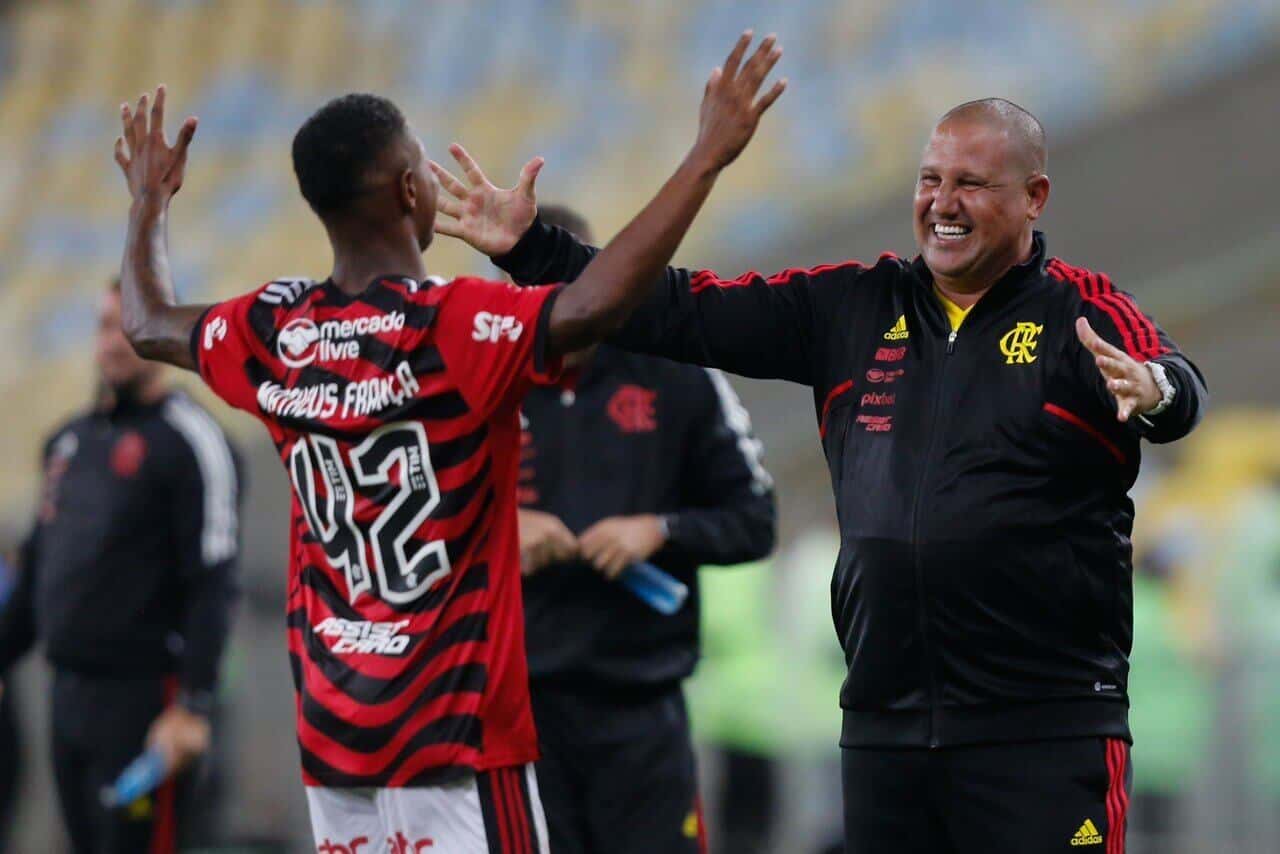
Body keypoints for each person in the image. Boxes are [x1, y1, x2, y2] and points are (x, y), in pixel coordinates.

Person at [434, 97, 1209, 853]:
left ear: (1033, 195)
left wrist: (1155, 393)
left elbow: (1175, 384)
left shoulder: (1082, 310)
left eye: (971, 183)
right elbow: (676, 308)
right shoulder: (851, 305)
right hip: (885, 733)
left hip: (1043, 732)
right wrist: (530, 250)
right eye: (930, 179)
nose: (943, 202)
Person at [110, 31, 784, 851]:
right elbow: (594, 305)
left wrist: (148, 203)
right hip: (455, 736)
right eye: (424, 168)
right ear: (409, 190)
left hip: (336, 738)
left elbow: (148, 321)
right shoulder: (452, 324)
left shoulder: (272, 327)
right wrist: (706, 158)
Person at [513, 205, 776, 854]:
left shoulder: (675, 371)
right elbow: (411, 530)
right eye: (534, 305)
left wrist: (660, 530)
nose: (557, 322)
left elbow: (755, 520)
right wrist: (496, 533)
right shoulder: (479, 377)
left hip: (641, 708)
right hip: (516, 714)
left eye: (571, 297)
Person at [0, 280, 242, 854]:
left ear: (161, 334)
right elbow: (37, 573)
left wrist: (193, 705)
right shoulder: (68, 442)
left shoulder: (192, 441)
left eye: (129, 327)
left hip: (146, 703)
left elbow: (213, 582)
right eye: (105, 326)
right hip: (67, 698)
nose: (113, 342)